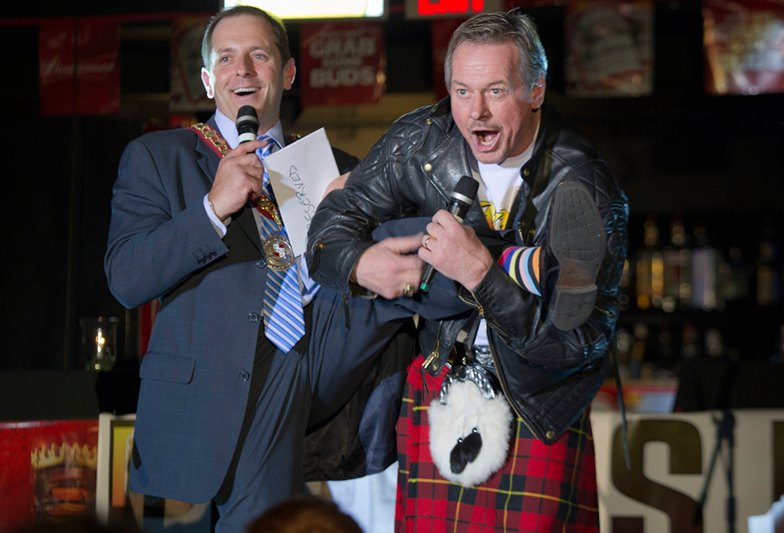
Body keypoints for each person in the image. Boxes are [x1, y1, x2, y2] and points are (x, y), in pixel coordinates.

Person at [306, 10, 628, 532]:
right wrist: (362, 264)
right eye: (462, 91)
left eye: (496, 91)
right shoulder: (420, 142)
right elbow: (329, 227)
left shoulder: (583, 185)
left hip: (536, 403)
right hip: (439, 382)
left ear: (536, 90)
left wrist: (481, 273)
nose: (475, 112)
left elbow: (577, 346)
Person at [105, 6, 414, 532]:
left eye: (259, 55)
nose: (242, 70)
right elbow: (127, 279)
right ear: (208, 81)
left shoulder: (338, 172)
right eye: (226, 58)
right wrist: (212, 208)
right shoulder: (159, 157)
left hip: (298, 387)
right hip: (193, 407)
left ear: (287, 73)